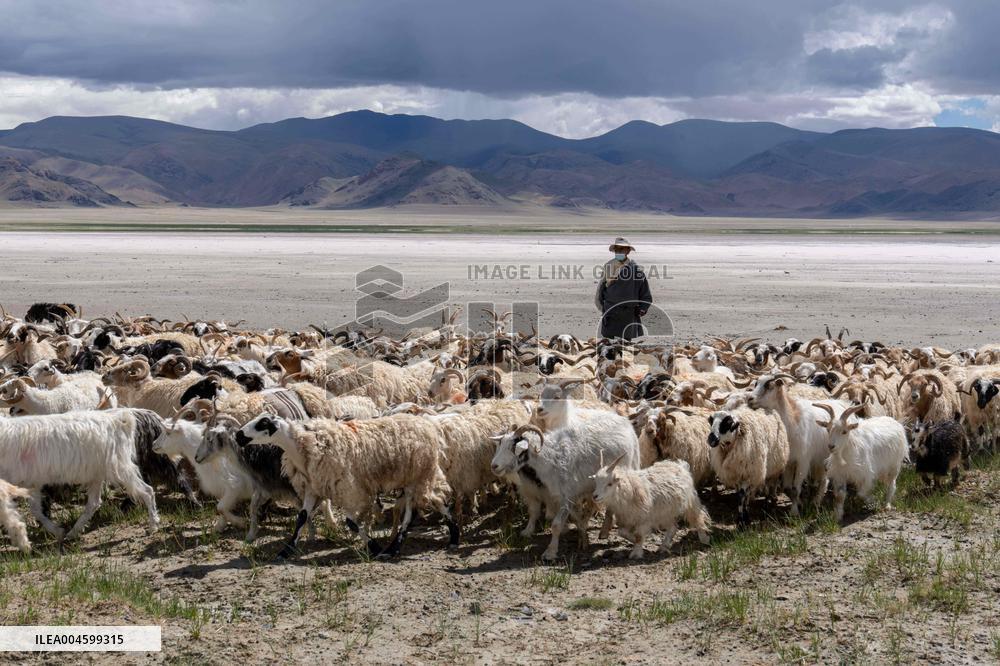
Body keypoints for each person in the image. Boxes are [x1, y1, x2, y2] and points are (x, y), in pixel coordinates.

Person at [594, 237, 653, 340]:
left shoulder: (636, 270)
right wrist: (601, 307)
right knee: (608, 342)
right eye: (617, 249)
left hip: (628, 313)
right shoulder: (609, 266)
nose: (619, 252)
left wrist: (643, 307)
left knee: (626, 344)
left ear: (628, 251)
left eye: (622, 249)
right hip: (610, 311)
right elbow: (601, 288)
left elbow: (645, 291)